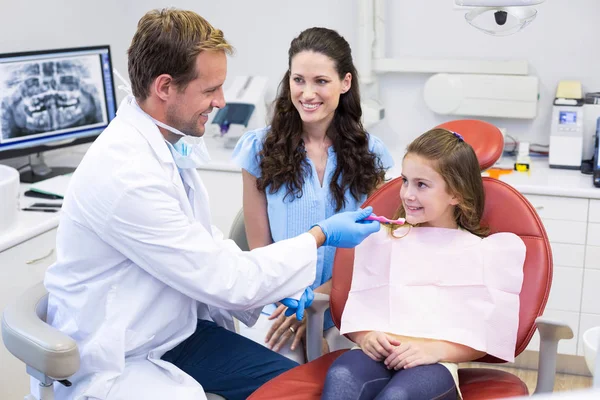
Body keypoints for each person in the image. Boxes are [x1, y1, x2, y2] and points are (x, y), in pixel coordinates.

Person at [43, 9, 381, 400]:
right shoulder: (127, 175)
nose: (221, 101)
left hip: (175, 332)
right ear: (165, 87)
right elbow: (226, 280)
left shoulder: (164, 149)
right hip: (123, 352)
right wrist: (320, 236)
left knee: (306, 389)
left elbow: (207, 244)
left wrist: (277, 287)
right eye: (210, 90)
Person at [320, 128, 527, 400]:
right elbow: (360, 305)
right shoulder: (381, 241)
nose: (406, 194)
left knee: (398, 396)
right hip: (371, 354)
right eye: (405, 180)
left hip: (435, 363)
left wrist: (434, 350)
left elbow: (485, 336)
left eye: (421, 185)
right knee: (341, 378)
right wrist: (365, 336)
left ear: (456, 193)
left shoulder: (482, 253)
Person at [232, 27, 394, 363]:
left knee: (354, 379)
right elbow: (261, 250)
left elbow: (375, 250)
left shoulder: (372, 155)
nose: (307, 93)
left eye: (321, 81)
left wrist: (318, 304)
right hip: (281, 306)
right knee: (280, 381)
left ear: (345, 83)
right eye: (298, 80)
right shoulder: (258, 151)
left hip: (347, 301)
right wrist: (297, 305)